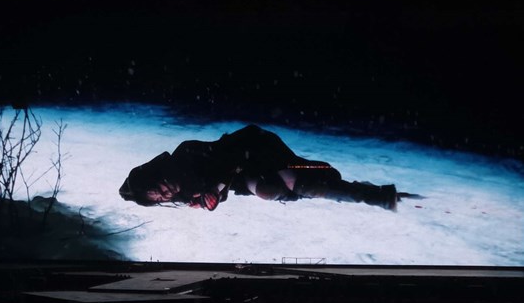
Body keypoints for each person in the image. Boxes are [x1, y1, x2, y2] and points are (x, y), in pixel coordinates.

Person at [119, 125, 411, 211]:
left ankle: (377, 195)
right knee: (274, 191)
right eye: (160, 197)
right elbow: (223, 189)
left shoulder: (186, 152)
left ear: (157, 174)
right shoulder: (182, 195)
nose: (165, 193)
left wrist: (214, 190)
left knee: (301, 183)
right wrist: (211, 198)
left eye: (158, 187)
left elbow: (230, 161)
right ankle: (315, 177)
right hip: (242, 174)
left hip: (254, 147)